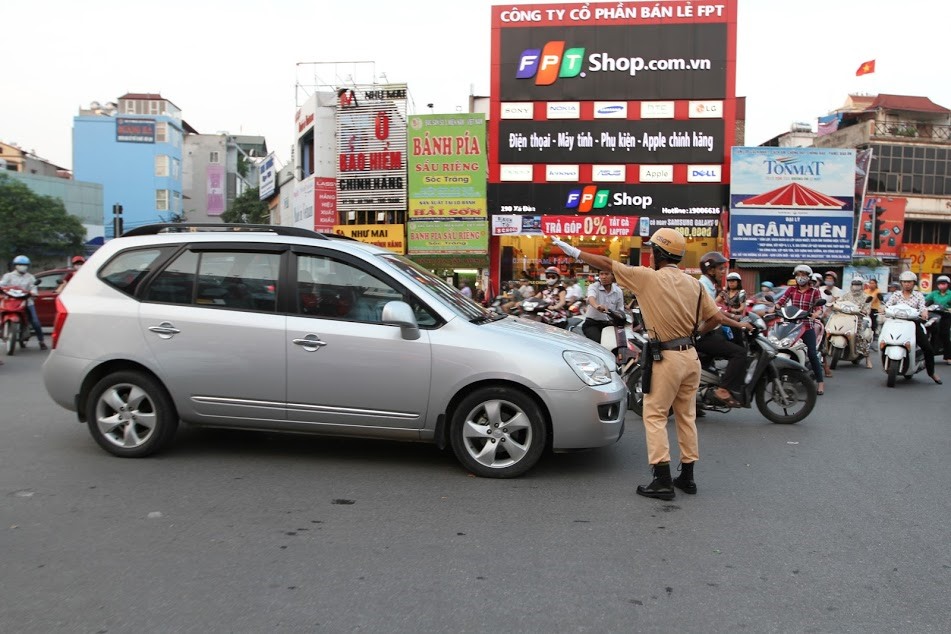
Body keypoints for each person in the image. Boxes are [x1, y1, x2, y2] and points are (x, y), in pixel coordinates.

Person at [550, 230, 751, 500]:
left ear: (658, 253)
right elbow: (715, 318)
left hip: (667, 357)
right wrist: (695, 334)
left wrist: (573, 251)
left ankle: (662, 480)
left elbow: (607, 264)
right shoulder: (695, 285)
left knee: (655, 416)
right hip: (690, 357)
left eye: (652, 250)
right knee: (686, 417)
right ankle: (688, 477)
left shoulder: (648, 278)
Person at [696, 252, 750, 407]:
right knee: (739, 353)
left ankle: (699, 398)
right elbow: (716, 316)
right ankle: (723, 389)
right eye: (720, 269)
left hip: (707, 331)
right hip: (700, 334)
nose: (723, 272)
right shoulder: (704, 287)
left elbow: (716, 310)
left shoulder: (710, 286)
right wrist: (739, 325)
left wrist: (735, 317)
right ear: (710, 270)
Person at [774, 264, 825, 394]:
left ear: (809, 277)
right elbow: (781, 302)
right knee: (779, 347)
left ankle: (820, 383)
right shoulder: (791, 290)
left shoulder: (814, 291)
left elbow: (819, 308)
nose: (800, 277)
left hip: (807, 326)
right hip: (792, 326)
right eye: (798, 275)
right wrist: (775, 308)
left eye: (803, 275)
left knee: (812, 354)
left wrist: (815, 314)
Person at [885, 271, 941, 383]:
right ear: (901, 283)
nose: (907, 284)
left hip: (913, 324)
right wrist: (883, 309)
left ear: (914, 283)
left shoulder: (918, 295)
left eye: (909, 282)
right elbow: (888, 305)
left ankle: (931, 372)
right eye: (904, 282)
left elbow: (922, 307)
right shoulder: (896, 295)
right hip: (895, 324)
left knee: (928, 349)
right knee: (884, 340)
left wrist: (924, 312)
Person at [0, 255, 47, 350]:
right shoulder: (8, 276)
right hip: (10, 300)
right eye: (20, 265)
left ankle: (41, 341)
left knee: (35, 321)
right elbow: (2, 285)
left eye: (25, 265)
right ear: (15, 266)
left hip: (26, 301)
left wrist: (34, 293)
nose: (22, 267)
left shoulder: (30, 277)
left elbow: (33, 288)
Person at [835, 276, 874, 368]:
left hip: (859, 319)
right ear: (851, 285)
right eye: (854, 284)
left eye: (858, 284)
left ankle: (867, 358)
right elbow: (838, 302)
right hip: (845, 317)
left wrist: (864, 311)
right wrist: (835, 305)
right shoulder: (846, 295)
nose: (856, 286)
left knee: (862, 335)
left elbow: (867, 310)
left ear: (862, 286)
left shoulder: (866, 297)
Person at [581, 270, 625, 343]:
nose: (603, 277)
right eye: (601, 274)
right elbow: (591, 298)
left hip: (610, 325)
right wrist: (597, 306)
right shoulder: (593, 286)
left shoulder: (618, 291)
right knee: (598, 343)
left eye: (606, 274)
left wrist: (617, 316)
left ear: (613, 276)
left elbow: (620, 310)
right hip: (592, 324)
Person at [924, 274, 951, 366]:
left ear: (948, 284)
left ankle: (948, 357)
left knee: (945, 335)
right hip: (934, 316)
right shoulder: (934, 293)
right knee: (932, 334)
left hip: (946, 316)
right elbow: (925, 301)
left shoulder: (950, 294)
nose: (941, 285)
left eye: (943, 283)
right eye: (939, 284)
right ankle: (929, 356)